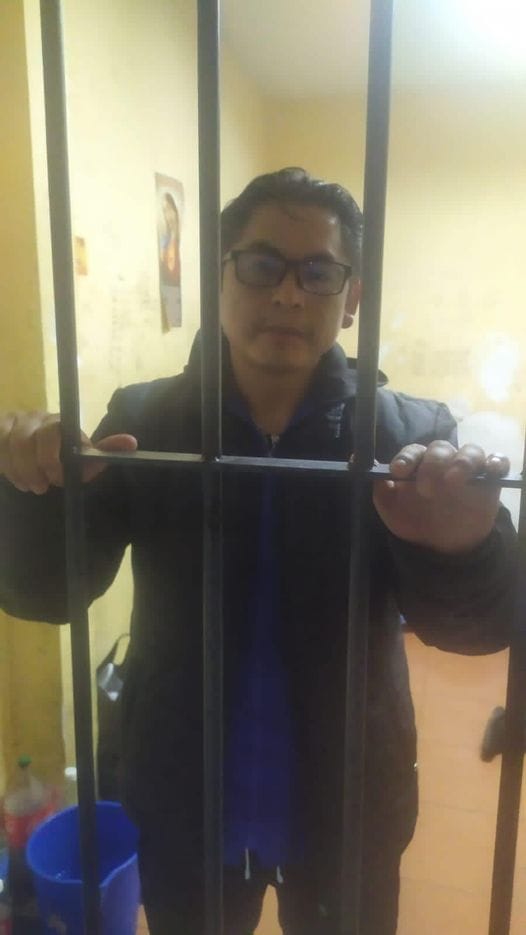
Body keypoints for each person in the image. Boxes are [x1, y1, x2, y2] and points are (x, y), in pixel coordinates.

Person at [0, 168, 517, 934]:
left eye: (319, 272)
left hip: (348, 801)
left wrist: (465, 545)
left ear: (352, 298)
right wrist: (29, 490)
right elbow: (47, 592)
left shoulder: (404, 436)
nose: (288, 294)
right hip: (185, 795)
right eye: (261, 264)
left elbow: (483, 626)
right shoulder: (146, 423)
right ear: (220, 277)